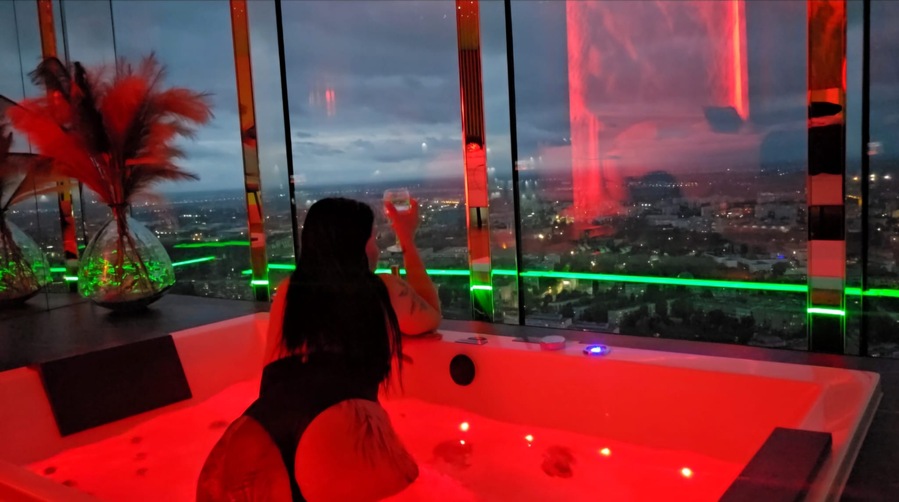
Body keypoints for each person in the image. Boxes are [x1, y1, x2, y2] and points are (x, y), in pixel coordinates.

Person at [197, 197, 442, 502]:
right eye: (374, 239)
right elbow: (431, 315)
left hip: (250, 437)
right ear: (358, 246)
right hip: (338, 428)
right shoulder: (383, 288)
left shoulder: (289, 291)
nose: (377, 249)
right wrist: (407, 240)